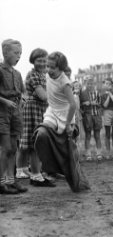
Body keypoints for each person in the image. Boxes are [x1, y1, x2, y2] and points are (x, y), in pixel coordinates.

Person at [33, 51, 89, 192]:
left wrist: (69, 124)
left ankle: (75, 178)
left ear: (61, 69)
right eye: (48, 66)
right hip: (52, 113)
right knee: (41, 134)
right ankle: (50, 169)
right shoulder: (47, 75)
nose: (49, 70)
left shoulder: (65, 83)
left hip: (66, 116)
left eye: (52, 68)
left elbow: (73, 105)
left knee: (67, 146)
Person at [18, 48, 55, 187]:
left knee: (39, 142)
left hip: (42, 109)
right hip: (34, 108)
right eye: (39, 60)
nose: (42, 63)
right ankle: (35, 175)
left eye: (44, 60)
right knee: (35, 142)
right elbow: (43, 96)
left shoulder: (45, 74)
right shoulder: (32, 74)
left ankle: (36, 172)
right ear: (33, 61)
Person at [0, 39, 28, 194]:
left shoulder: (17, 74)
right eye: (16, 53)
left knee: (13, 148)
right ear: (5, 53)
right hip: (3, 113)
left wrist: (23, 98)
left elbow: (23, 91)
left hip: (16, 113)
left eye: (20, 53)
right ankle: (1, 181)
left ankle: (11, 180)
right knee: (5, 148)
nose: (19, 56)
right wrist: (5, 102)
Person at [79, 76, 103, 161]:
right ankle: (88, 153)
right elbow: (80, 104)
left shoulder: (97, 93)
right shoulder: (83, 93)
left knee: (97, 135)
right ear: (85, 83)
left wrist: (93, 103)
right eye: (88, 83)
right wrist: (85, 105)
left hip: (96, 115)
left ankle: (99, 153)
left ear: (94, 84)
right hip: (88, 116)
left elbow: (100, 104)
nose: (90, 85)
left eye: (91, 83)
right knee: (88, 135)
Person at [101, 78, 113, 159]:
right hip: (107, 113)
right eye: (106, 83)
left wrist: (110, 93)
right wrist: (108, 95)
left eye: (109, 84)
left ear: (112, 85)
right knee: (107, 134)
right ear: (104, 85)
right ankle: (108, 152)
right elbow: (105, 105)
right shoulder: (102, 95)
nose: (108, 85)